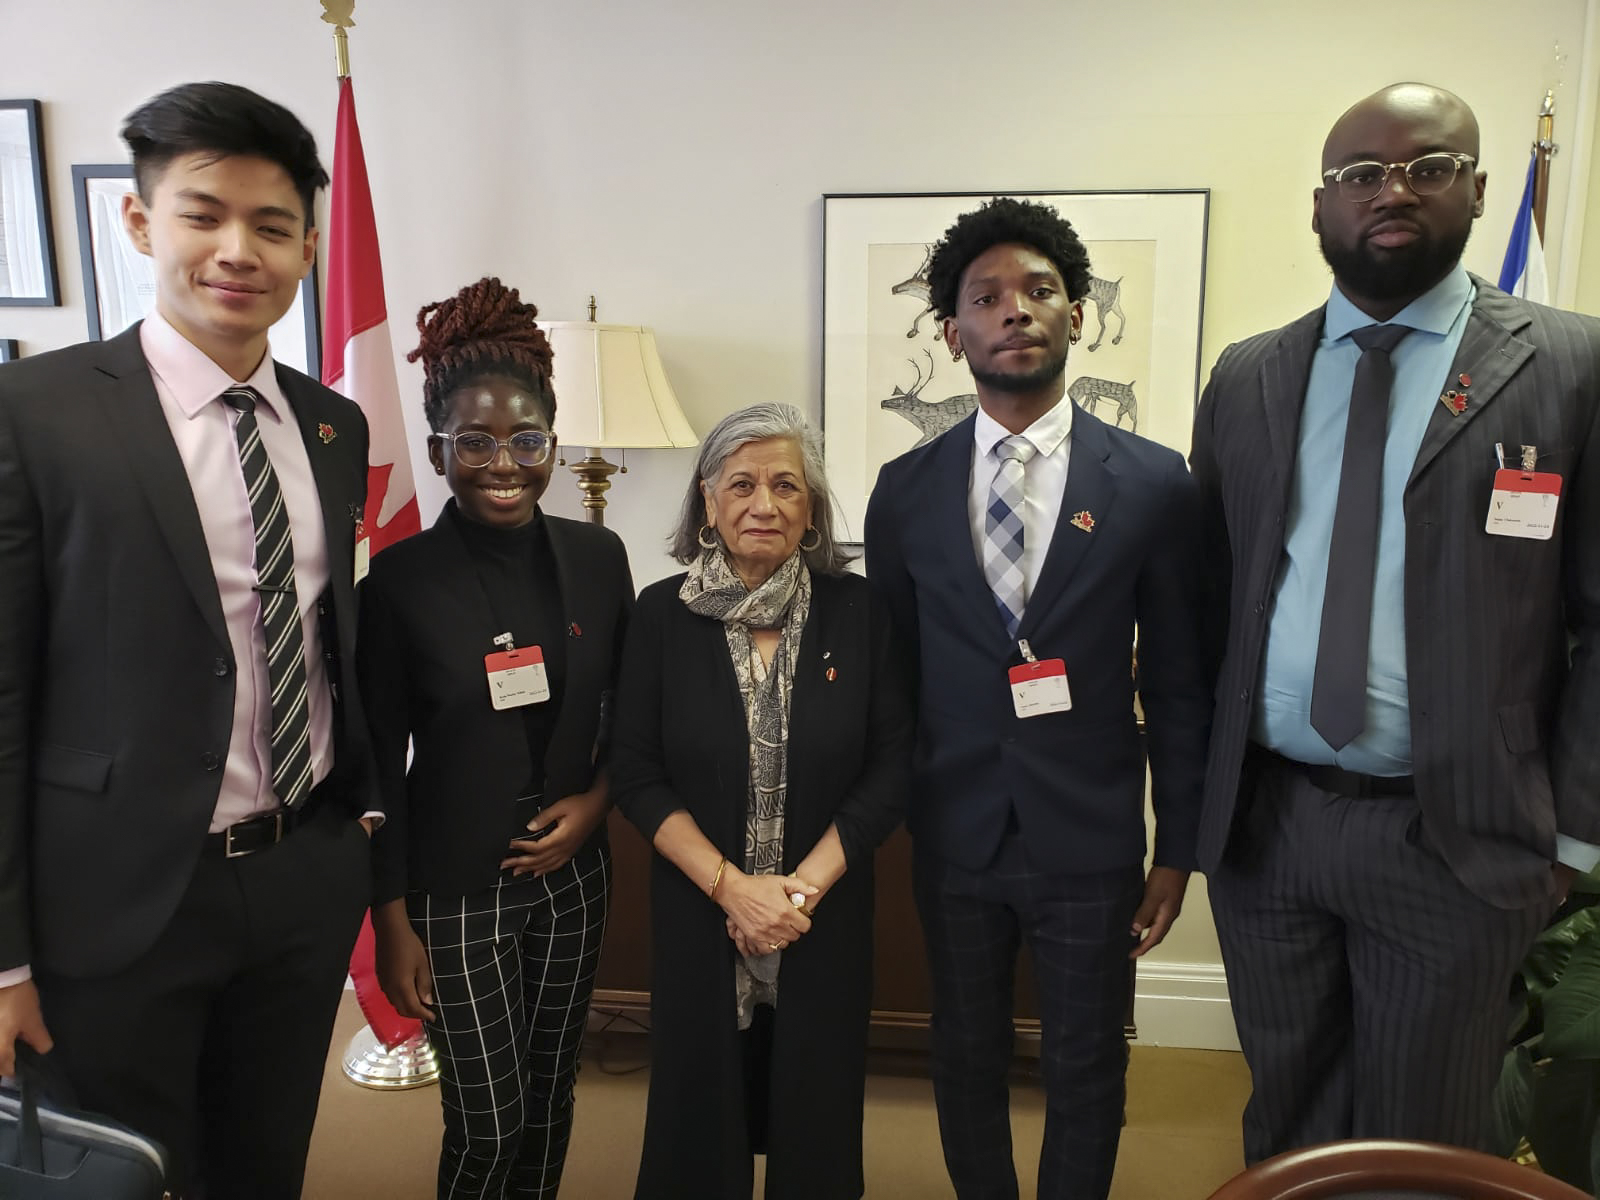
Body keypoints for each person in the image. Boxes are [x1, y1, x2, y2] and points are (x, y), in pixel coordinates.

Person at [1191, 82, 1600, 1162]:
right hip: (1268, 830)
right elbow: (1207, 598)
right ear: (1319, 208)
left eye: (1426, 165)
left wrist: (1566, 842)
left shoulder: (1569, 366)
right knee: (1285, 1117)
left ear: (1474, 188)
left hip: (1454, 835)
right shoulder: (1246, 376)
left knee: (1426, 1136)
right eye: (1359, 174)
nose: (1391, 190)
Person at [0, 82, 376, 1197]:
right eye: (202, 214)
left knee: (265, 1165)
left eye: (270, 226)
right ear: (139, 221)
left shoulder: (332, 425)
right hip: (115, 901)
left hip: (299, 883)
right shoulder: (35, 413)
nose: (235, 250)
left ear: (309, 246)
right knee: (127, 1174)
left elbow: (326, 643)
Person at [864, 196, 1210, 1200]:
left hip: (1091, 834)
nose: (1014, 310)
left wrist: (1176, 849)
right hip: (955, 829)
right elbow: (893, 674)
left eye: (1040, 291)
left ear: (1074, 315)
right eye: (986, 297)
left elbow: (1182, 681)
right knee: (964, 1054)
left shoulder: (1153, 484)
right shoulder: (905, 488)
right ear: (951, 331)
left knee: (1085, 1061)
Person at [358, 276, 633, 1199]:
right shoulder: (396, 585)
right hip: (451, 890)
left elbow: (624, 715)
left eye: (526, 438)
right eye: (473, 441)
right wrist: (389, 922)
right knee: (488, 1116)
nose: (502, 462)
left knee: (553, 1095)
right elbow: (376, 771)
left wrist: (593, 809)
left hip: (572, 878)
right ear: (438, 451)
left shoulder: (600, 560)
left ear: (553, 441)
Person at [610, 403, 912, 1200]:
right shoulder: (659, 614)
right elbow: (636, 772)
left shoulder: (861, 612)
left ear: (811, 508)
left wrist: (795, 893)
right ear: (707, 501)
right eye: (741, 484)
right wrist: (733, 890)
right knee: (696, 1110)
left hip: (824, 913)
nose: (764, 504)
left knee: (817, 1110)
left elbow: (892, 767)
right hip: (699, 907)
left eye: (786, 484)